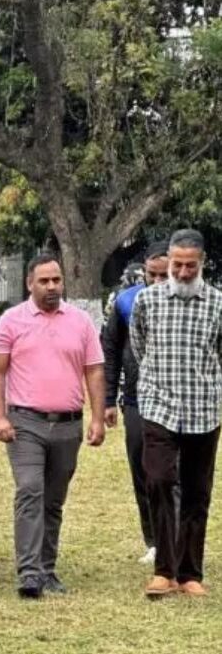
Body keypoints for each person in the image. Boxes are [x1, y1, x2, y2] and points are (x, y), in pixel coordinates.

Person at [0, 253, 106, 599]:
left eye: (56, 280)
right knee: (29, 490)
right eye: (44, 281)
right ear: (30, 283)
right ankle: (29, 573)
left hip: (68, 425)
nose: (52, 286)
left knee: (53, 500)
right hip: (25, 423)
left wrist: (98, 417)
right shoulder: (10, 321)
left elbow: (94, 370)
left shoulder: (81, 322)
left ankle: (47, 568)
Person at [131, 229, 222, 599]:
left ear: (202, 264)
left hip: (204, 407)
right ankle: (163, 570)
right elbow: (139, 345)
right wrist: (156, 384)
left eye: (191, 266)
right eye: (177, 265)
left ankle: (189, 573)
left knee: (198, 491)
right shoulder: (147, 300)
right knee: (158, 480)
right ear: (168, 262)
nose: (183, 273)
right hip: (159, 406)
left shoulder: (217, 303)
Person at [100, 242, 170, 565]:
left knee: (174, 472)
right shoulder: (126, 302)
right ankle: (153, 539)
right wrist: (108, 399)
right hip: (136, 400)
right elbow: (111, 349)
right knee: (142, 469)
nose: (158, 281)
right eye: (152, 274)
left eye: (164, 275)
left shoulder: (187, 302)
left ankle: (176, 538)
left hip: (176, 399)